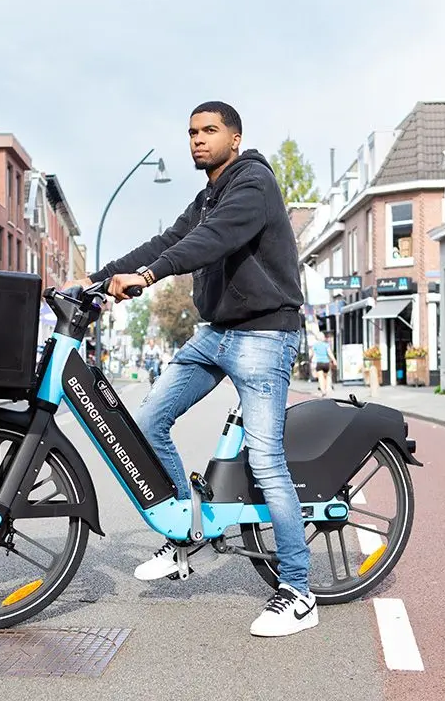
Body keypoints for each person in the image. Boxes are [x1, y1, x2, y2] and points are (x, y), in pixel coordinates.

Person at [66, 101, 314, 637]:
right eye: (191, 133)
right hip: (217, 334)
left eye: (209, 131)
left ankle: (297, 589)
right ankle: (185, 540)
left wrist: (151, 276)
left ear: (235, 137)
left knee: (267, 459)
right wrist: (94, 281)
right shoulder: (207, 196)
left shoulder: (253, 184)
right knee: (150, 419)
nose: (198, 140)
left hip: (264, 335)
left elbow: (211, 241)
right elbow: (167, 240)